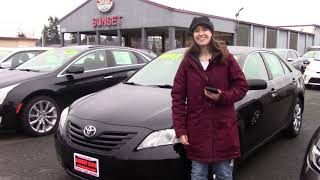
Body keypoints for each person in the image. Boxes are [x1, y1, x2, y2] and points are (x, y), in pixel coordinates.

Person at [171, 16, 248, 180]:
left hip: (223, 129)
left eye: (204, 29)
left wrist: (222, 96)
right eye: (196, 31)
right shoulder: (187, 62)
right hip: (197, 130)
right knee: (198, 174)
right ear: (193, 35)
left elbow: (241, 87)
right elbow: (177, 98)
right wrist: (181, 130)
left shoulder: (225, 57)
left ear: (211, 32)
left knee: (223, 174)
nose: (201, 34)